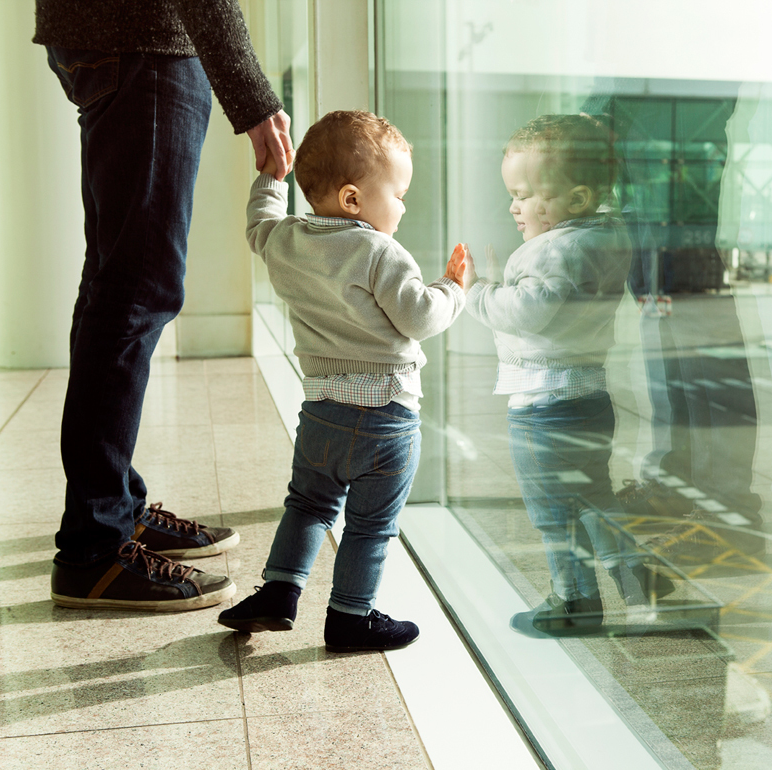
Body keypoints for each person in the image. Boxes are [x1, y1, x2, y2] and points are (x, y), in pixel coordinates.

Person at [35, 0, 295, 611]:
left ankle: (113, 512)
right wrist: (251, 96)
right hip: (144, 39)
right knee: (134, 291)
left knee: (112, 281)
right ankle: (95, 548)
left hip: (108, 37)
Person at [218, 110, 467, 651]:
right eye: (398, 193)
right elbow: (420, 318)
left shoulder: (285, 242)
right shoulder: (379, 251)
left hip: (322, 414)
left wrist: (270, 178)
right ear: (354, 199)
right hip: (387, 421)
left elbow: (258, 224)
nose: (403, 204)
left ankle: (280, 591)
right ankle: (351, 618)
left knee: (307, 504)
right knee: (371, 525)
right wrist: (451, 288)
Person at [464, 114, 672, 637]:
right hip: (587, 399)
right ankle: (635, 578)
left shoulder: (559, 248)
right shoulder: (603, 238)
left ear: (577, 199)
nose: (515, 205)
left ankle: (575, 601)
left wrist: (478, 291)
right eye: (513, 193)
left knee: (553, 513)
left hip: (543, 406)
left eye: (529, 194)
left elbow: (532, 309)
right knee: (592, 497)